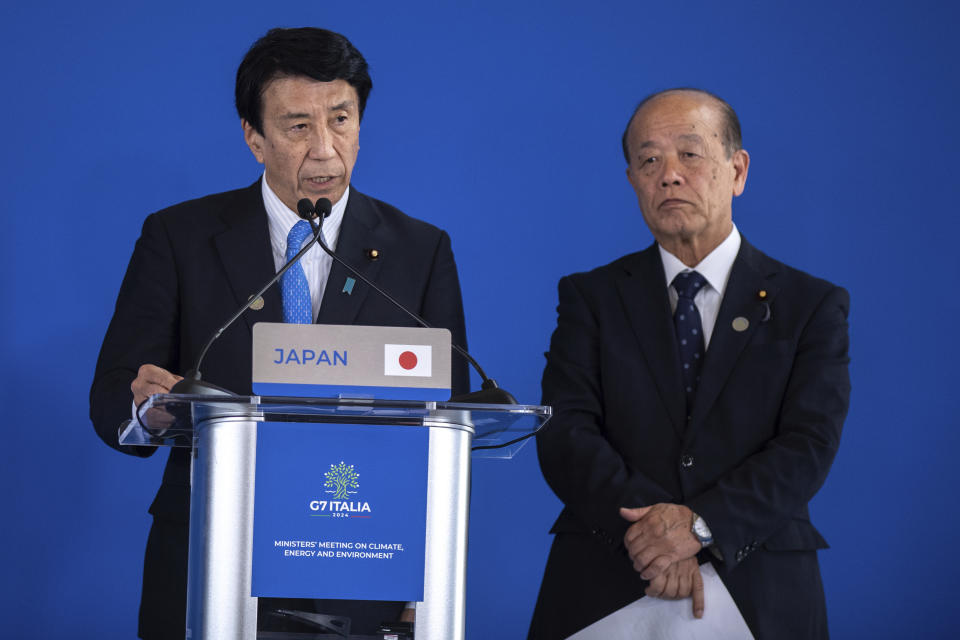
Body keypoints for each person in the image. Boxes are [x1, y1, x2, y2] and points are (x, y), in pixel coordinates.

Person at [90, 27, 469, 639]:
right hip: (210, 554)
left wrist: (417, 588)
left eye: (341, 120)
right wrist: (150, 410)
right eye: (298, 127)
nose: (325, 150)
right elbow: (111, 395)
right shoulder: (178, 238)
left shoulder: (420, 250)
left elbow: (443, 412)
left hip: (363, 558)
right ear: (253, 137)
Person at [529, 88, 849, 639]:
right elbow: (565, 430)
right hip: (607, 571)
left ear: (738, 169)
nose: (669, 175)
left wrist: (700, 527)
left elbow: (808, 444)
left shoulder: (810, 304)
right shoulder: (592, 296)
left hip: (760, 577)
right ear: (632, 180)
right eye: (648, 160)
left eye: (690, 153)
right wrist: (654, 534)